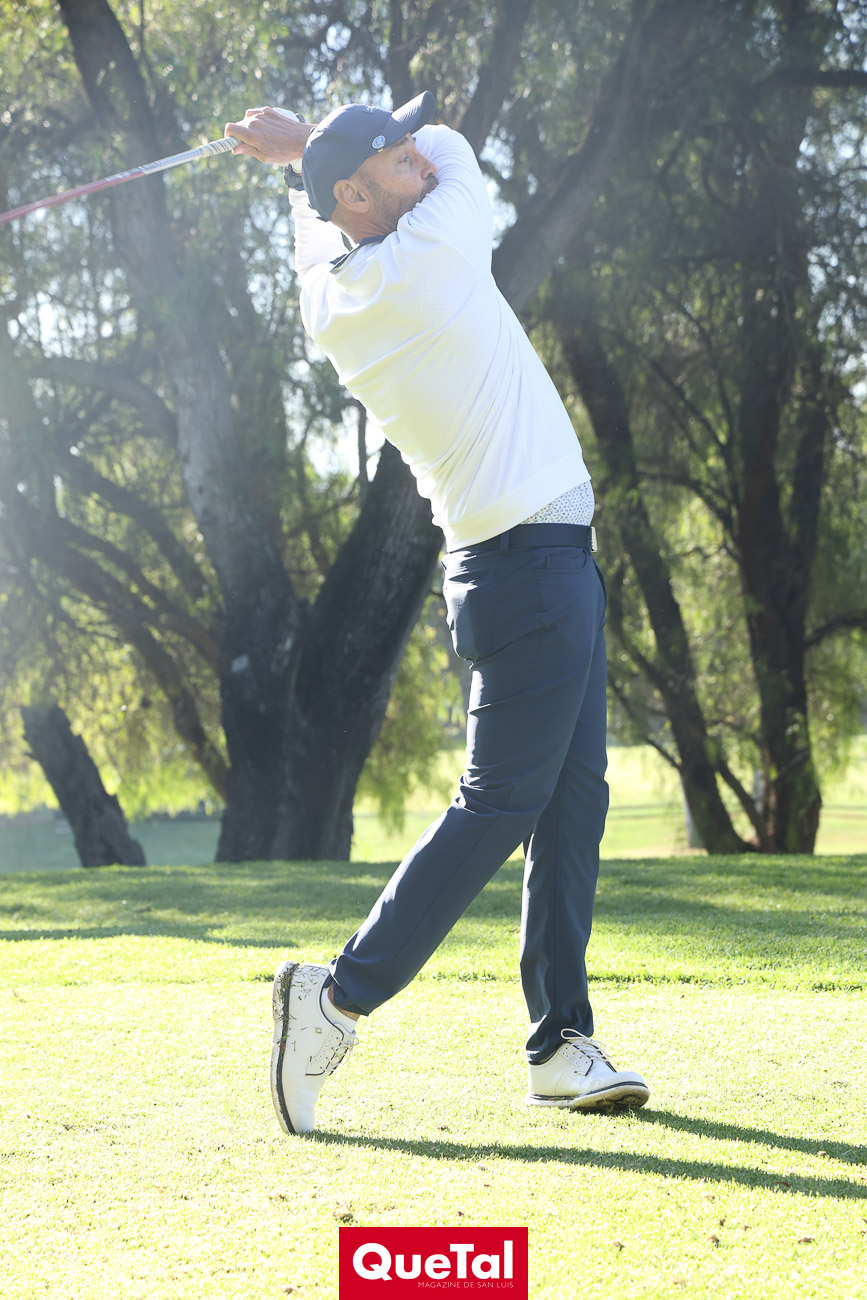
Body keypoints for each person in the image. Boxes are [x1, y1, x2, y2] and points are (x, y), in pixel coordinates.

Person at [224, 92, 650, 1135]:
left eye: (408, 146)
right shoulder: (435, 250)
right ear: (358, 194)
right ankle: (335, 998)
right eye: (394, 156)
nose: (418, 156)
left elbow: (319, 218)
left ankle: (559, 1044)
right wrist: (305, 143)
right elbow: (459, 147)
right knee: (500, 805)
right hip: (529, 570)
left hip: (530, 565)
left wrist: (305, 162)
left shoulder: (330, 293)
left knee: (571, 803)